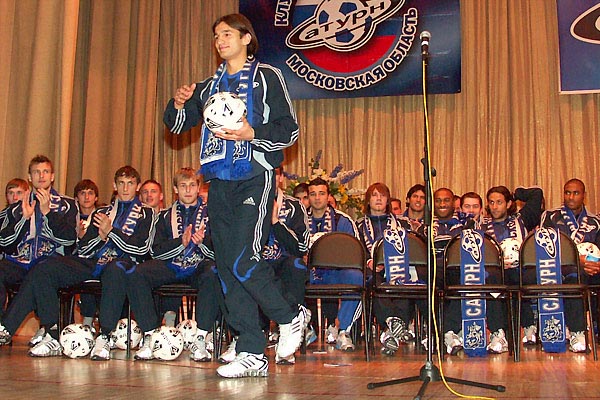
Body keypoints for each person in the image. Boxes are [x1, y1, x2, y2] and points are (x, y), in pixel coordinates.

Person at [163, 13, 305, 378]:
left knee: (245, 259)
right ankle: (251, 349)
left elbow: (289, 130)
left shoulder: (267, 77)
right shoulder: (207, 86)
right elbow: (177, 126)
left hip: (255, 176)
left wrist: (252, 133)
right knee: (226, 267)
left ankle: (290, 315)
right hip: (219, 182)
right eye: (216, 36)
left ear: (246, 38)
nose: (220, 40)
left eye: (227, 34)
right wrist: (178, 104)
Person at [0, 166, 155, 358]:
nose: (125, 188)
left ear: (137, 186)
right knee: (44, 267)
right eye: (121, 183)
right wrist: (101, 238)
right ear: (114, 186)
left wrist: (112, 232)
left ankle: (104, 336)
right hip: (94, 263)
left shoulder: (146, 213)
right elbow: (83, 248)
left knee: (115, 269)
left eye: (130, 184)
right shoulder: (102, 212)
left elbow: (140, 249)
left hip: (124, 263)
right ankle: (50, 332)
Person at [129, 167, 221, 362]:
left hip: (199, 266)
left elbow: (221, 251)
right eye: (183, 185)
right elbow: (155, 251)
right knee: (137, 273)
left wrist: (202, 243)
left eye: (192, 185)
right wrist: (181, 243)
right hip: (172, 266)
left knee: (214, 272)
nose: (188, 190)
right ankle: (149, 335)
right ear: (175, 189)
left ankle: (201, 338)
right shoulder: (164, 216)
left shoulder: (213, 214)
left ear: (198, 188)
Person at [0, 155, 78, 342]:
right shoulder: (17, 206)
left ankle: (15, 327)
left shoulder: (67, 204)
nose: (41, 176)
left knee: (40, 272)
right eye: (36, 172)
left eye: (45, 172)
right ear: (29, 177)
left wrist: (48, 213)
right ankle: (2, 324)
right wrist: (23, 219)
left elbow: (69, 240)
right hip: (21, 262)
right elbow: (4, 241)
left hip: (51, 262)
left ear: (52, 176)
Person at [539, 178, 600, 352]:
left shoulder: (595, 221)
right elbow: (545, 247)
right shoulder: (550, 217)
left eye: (576, 193)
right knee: (574, 278)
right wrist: (577, 260)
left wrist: (596, 265)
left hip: (590, 269)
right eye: (567, 192)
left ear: (584, 196)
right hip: (557, 268)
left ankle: (593, 328)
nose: (571, 197)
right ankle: (577, 332)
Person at [481, 185, 544, 347]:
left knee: (518, 279)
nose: (495, 207)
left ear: (508, 204)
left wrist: (514, 194)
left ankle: (528, 327)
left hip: (520, 272)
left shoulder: (521, 220)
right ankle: (498, 332)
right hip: (494, 272)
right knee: (492, 282)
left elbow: (537, 194)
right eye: (491, 202)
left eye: (499, 202)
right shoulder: (480, 226)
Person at [356, 183, 413, 356]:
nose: (378, 199)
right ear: (368, 200)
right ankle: (392, 323)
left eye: (382, 195)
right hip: (372, 270)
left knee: (403, 282)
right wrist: (369, 262)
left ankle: (391, 331)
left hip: (398, 268)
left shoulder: (402, 224)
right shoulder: (358, 225)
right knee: (376, 283)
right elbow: (356, 249)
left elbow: (411, 247)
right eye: (374, 195)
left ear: (388, 200)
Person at [306, 177, 360, 351]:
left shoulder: (342, 220)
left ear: (328, 196)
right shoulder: (300, 218)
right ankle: (304, 328)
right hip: (308, 273)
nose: (317, 198)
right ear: (308, 197)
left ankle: (343, 330)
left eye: (321, 193)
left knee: (356, 277)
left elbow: (355, 252)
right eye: (313, 194)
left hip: (335, 272)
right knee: (290, 272)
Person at [264, 166, 310, 365]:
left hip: (284, 262)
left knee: (296, 265)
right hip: (259, 263)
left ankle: (290, 327)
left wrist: (276, 222)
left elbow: (301, 246)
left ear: (281, 177)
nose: (269, 178)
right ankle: (245, 339)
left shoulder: (294, 206)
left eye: (274, 174)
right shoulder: (250, 202)